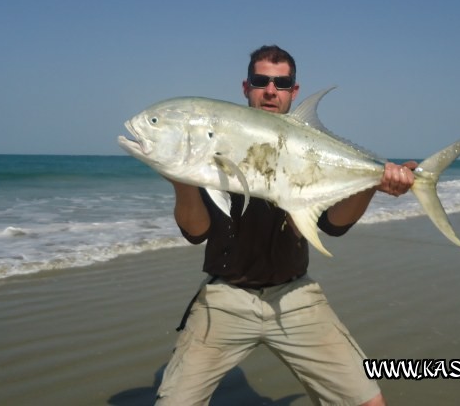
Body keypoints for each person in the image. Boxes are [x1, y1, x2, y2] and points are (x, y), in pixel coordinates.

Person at [156, 45, 416, 406]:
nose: (270, 90)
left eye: (281, 83)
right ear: (246, 87)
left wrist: (372, 183)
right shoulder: (214, 142)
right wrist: (181, 179)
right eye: (261, 81)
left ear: (294, 91)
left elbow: (333, 225)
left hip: (295, 296)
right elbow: (196, 231)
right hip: (225, 297)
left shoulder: (311, 148)